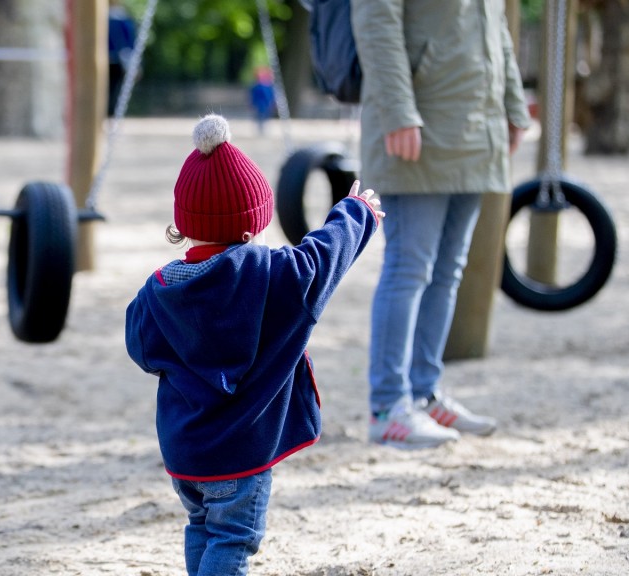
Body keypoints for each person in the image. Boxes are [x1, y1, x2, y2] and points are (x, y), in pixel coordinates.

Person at [125, 114, 383, 575]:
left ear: (185, 226)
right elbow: (324, 257)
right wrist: (356, 212)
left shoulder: (158, 290)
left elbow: (139, 347)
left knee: (202, 526)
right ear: (250, 229)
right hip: (240, 456)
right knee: (234, 538)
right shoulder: (272, 276)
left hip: (185, 451)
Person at [351, 0, 532, 449]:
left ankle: (423, 393)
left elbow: (498, 30)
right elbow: (376, 21)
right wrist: (397, 111)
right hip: (420, 124)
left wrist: (511, 104)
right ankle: (388, 407)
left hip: (475, 128)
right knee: (410, 267)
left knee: (449, 270)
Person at [108, 0, 137, 116]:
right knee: (112, 88)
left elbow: (128, 43)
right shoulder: (123, 19)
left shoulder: (122, 18)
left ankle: (111, 112)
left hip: (117, 60)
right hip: (113, 59)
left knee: (113, 88)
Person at [248, 67, 276, 135]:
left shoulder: (260, 86)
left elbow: (253, 96)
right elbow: (253, 96)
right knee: (261, 117)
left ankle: (262, 129)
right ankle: (261, 129)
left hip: (262, 104)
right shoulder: (264, 87)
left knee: (262, 117)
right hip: (262, 104)